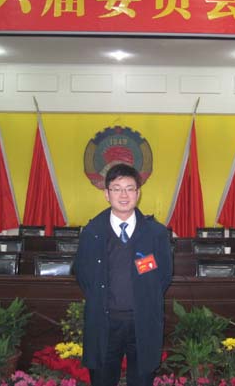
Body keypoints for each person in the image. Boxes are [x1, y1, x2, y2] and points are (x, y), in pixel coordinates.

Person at [74, 163, 173, 386]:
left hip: (142, 322)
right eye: (117, 189)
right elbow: (83, 275)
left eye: (129, 188)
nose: (124, 195)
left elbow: (164, 276)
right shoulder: (92, 232)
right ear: (106, 194)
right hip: (105, 323)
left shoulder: (156, 233)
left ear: (138, 193)